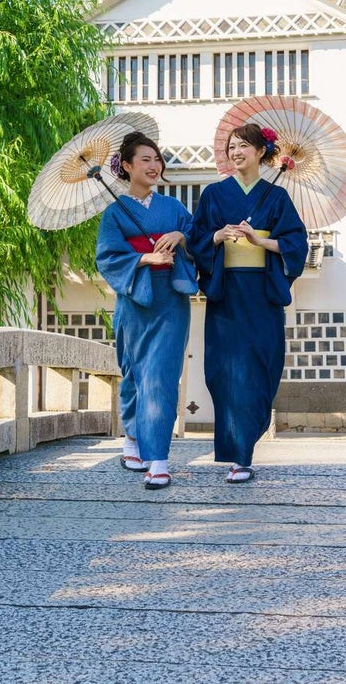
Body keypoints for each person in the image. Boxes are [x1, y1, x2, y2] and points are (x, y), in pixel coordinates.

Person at [188, 123, 308, 483]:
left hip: (261, 293)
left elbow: (297, 245)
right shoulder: (213, 194)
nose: (236, 152)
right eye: (231, 146)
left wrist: (260, 241)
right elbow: (196, 241)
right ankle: (239, 455)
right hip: (226, 294)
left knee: (261, 369)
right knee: (224, 371)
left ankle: (246, 448)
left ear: (261, 152)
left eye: (243, 146)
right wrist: (217, 235)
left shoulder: (277, 198)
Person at [96, 132, 198, 490]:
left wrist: (181, 238)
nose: (155, 166)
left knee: (161, 377)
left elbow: (198, 237)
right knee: (135, 375)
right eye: (146, 160)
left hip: (170, 299)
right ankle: (133, 438)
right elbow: (106, 257)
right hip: (135, 302)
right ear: (126, 166)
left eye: (157, 160)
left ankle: (159, 460)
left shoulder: (173, 208)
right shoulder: (114, 212)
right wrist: (144, 256)